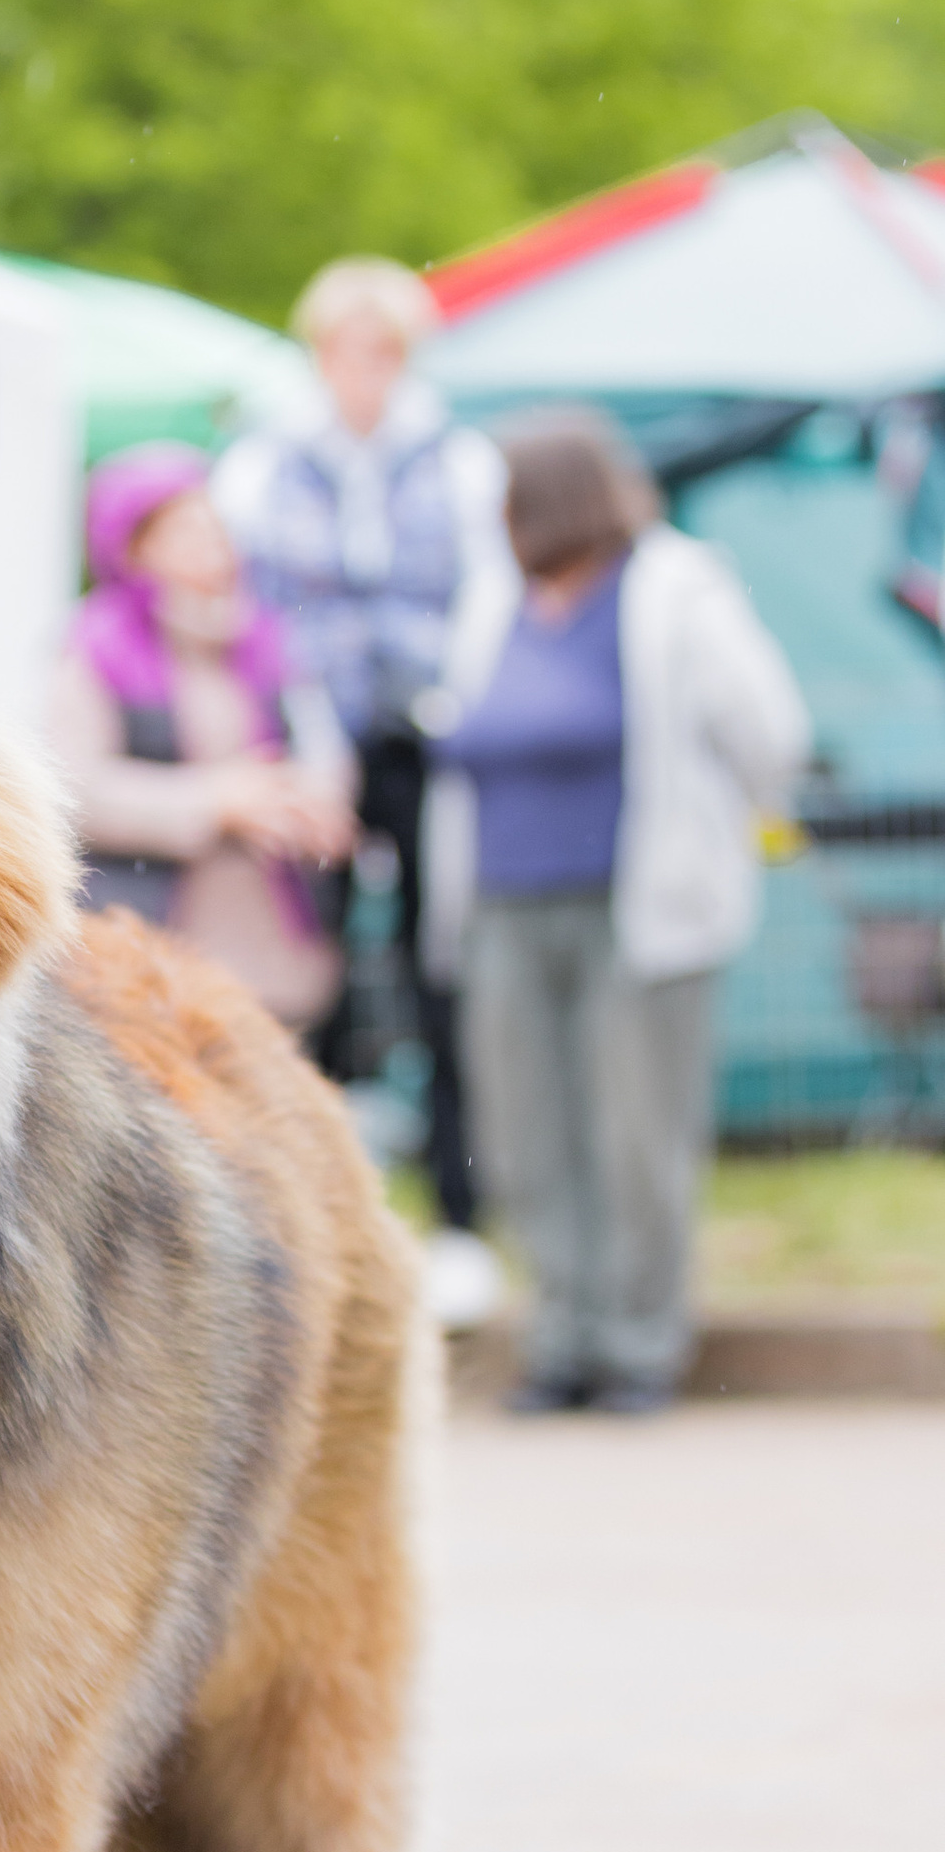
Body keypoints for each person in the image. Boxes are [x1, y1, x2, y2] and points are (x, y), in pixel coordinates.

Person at [423, 411, 808, 1414]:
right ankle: (561, 1335)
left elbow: (769, 732)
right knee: (528, 1132)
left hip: (639, 907)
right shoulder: (494, 600)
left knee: (635, 1133)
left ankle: (640, 1345)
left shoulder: (676, 588)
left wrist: (717, 831)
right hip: (506, 903)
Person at [216, 259, 514, 1316]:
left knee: (441, 976)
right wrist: (307, 745)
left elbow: (487, 593)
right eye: (344, 346)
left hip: (426, 742)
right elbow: (255, 608)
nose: (362, 369)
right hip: (312, 744)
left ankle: (461, 1220)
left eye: (381, 348)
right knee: (318, 974)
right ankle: (317, 1215)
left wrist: (449, 708)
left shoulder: (459, 461)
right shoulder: (264, 465)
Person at [43, 441, 354, 1027]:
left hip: (270, 937)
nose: (214, 544)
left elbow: (323, 746)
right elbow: (75, 788)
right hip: (151, 942)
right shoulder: (95, 646)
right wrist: (218, 800)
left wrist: (315, 800)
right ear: (135, 547)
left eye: (215, 525)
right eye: (187, 529)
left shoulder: (264, 636)